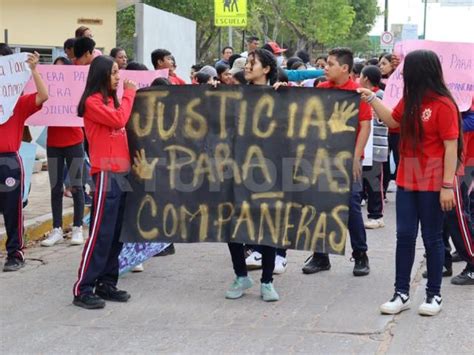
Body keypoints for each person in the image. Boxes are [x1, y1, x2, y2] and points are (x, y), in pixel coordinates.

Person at [358, 49, 462, 316]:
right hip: (407, 178)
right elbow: (392, 119)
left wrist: (447, 185)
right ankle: (401, 293)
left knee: (432, 238)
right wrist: (371, 98)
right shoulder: (410, 100)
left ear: (420, 72)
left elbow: (451, 147)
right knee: (404, 236)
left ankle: (434, 294)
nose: (401, 74)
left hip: (433, 181)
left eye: (406, 70)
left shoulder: (444, 104)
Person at [72, 56, 137, 309]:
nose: (118, 77)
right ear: (101, 76)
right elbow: (119, 120)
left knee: (117, 234)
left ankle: (107, 283)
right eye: (113, 72)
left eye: (118, 72)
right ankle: (83, 288)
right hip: (106, 174)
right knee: (100, 234)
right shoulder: (92, 102)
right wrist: (130, 94)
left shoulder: (111, 100)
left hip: (123, 174)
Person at [302, 47, 371, 277]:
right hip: (322, 159)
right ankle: (321, 255)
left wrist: (356, 157)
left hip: (348, 161)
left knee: (351, 207)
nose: (325, 67)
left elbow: (365, 126)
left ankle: (360, 255)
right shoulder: (321, 90)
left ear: (345, 68)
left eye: (330, 64)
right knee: (320, 205)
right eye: (326, 64)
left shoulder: (357, 93)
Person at [226, 49, 280, 302]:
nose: (247, 67)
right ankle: (241, 275)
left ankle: (267, 281)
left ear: (266, 69)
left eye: (252, 63)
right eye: (246, 63)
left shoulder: (280, 94)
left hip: (268, 170)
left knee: (268, 224)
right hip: (236, 169)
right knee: (232, 223)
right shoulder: (236, 94)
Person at [0, 50, 48, 271]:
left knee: (12, 210)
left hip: (8, 162)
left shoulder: (17, 103)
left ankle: (15, 254)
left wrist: (33, 70)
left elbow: (43, 96)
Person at [41, 57, 86, 247]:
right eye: (55, 69)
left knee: (77, 186)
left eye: (62, 69)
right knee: (55, 187)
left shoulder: (77, 89)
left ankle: (77, 227)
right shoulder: (48, 90)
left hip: (74, 141)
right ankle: (57, 228)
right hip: (53, 144)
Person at [359, 65, 387, 230]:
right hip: (364, 146)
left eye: (361, 75)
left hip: (376, 147)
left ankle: (377, 216)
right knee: (362, 181)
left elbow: (386, 118)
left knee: (374, 182)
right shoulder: (360, 96)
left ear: (366, 78)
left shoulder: (380, 96)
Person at [379, 53, 400, 202]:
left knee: (400, 159)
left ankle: (402, 188)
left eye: (384, 63)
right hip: (384, 129)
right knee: (383, 160)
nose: (381, 66)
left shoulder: (401, 82)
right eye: (379, 64)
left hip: (399, 130)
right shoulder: (378, 85)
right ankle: (382, 191)